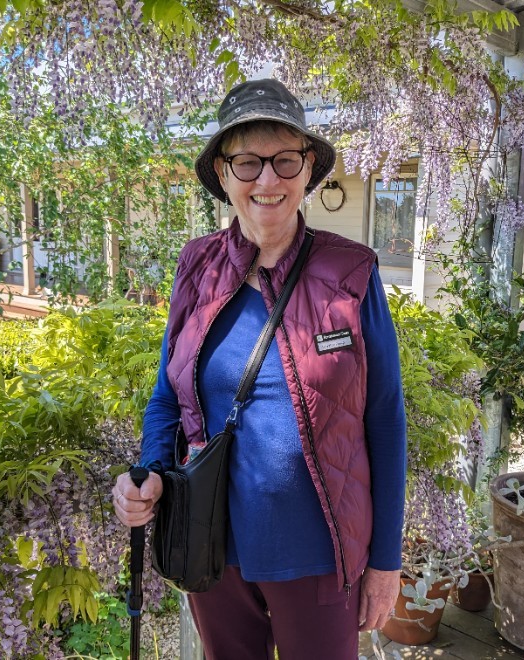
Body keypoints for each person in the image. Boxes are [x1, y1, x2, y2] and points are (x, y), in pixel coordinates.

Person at [113, 78, 407, 660]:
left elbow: (385, 420)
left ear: (308, 170)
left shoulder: (351, 272)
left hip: (319, 554)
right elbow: (167, 396)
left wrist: (385, 562)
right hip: (211, 543)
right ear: (223, 175)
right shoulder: (196, 266)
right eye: (247, 163)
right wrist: (150, 474)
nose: (267, 181)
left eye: (285, 160)